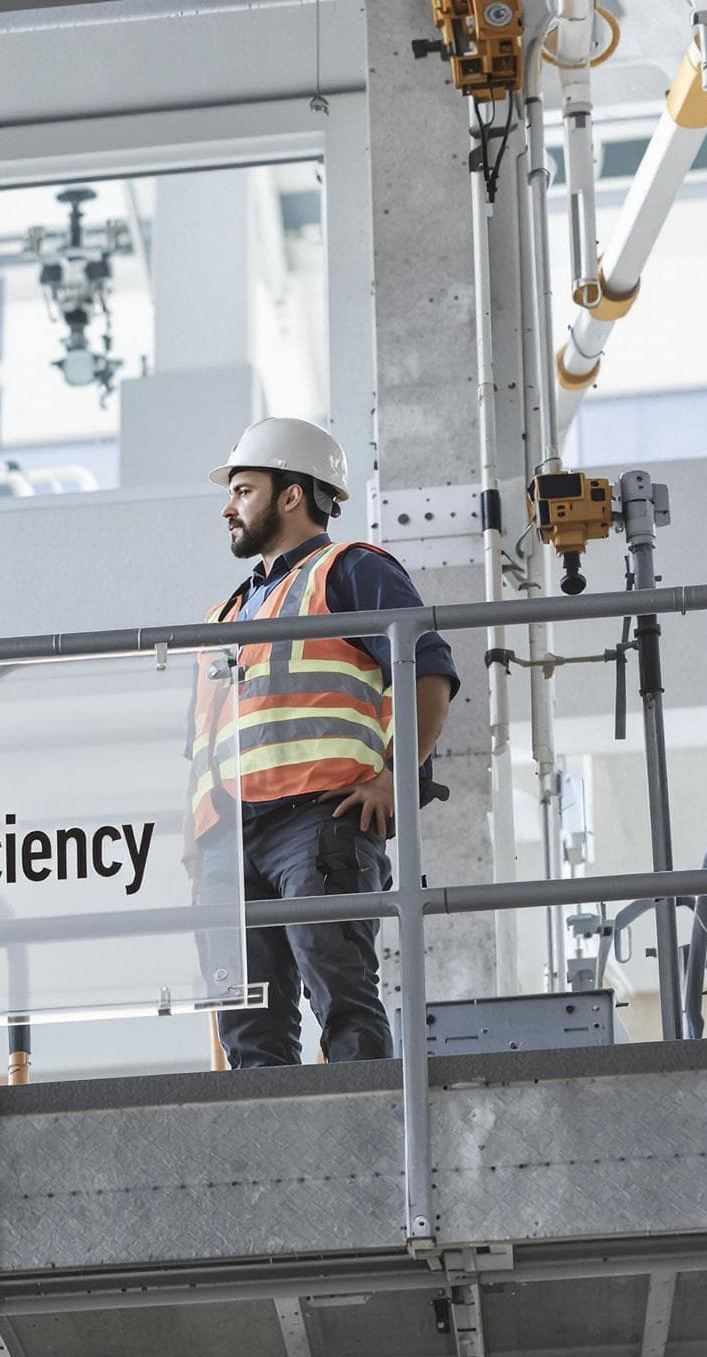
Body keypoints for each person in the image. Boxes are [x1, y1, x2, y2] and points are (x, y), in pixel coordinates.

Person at [188, 417, 457, 1068]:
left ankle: (363, 1152)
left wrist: (397, 774)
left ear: (291, 495)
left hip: (317, 825)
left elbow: (428, 668)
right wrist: (198, 845)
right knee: (249, 1035)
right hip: (228, 843)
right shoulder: (227, 614)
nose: (228, 507)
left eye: (244, 490)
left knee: (342, 1000)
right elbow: (208, 737)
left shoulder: (350, 570)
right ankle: (278, 1166)